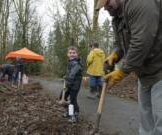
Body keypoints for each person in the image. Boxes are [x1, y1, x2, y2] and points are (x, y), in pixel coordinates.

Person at [96, 0, 162, 134]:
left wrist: (122, 72)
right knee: (146, 124)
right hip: (144, 74)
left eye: (108, 2)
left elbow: (141, 43)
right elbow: (119, 43)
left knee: (160, 122)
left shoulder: (141, 3)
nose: (106, 8)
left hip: (160, 69)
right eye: (103, 6)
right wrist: (115, 54)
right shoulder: (117, 17)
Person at [62, 46, 83, 123]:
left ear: (77, 54)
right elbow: (70, 73)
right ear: (67, 54)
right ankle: (68, 111)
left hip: (74, 85)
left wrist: (68, 79)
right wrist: (66, 76)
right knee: (62, 97)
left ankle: (75, 115)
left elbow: (72, 74)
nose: (72, 54)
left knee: (72, 100)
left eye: (74, 53)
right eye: (70, 53)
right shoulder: (70, 62)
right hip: (69, 84)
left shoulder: (77, 63)